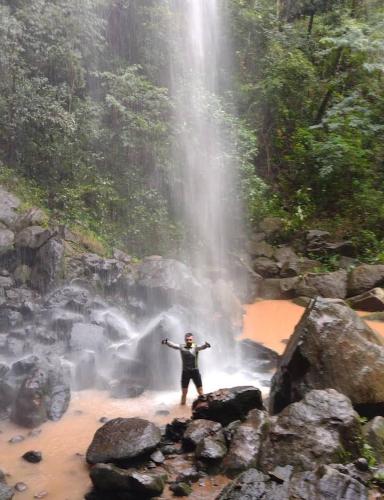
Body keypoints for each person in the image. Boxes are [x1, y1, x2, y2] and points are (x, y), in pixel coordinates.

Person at [161, 333, 211, 405]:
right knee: (184, 393)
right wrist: (166, 342)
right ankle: (182, 407)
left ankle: (204, 408)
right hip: (185, 373)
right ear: (185, 340)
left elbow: (202, 347)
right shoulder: (182, 347)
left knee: (200, 391)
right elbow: (174, 346)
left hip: (195, 372)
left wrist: (207, 345)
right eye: (187, 340)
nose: (189, 341)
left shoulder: (196, 347)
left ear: (192, 340)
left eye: (190, 340)